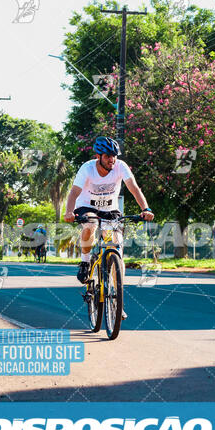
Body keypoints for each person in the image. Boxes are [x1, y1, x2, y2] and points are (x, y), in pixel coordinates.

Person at [64, 136, 154, 317]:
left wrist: (145, 208)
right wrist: (69, 211)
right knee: (90, 224)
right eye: (108, 156)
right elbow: (74, 191)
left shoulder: (121, 166)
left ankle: (118, 303)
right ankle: (84, 262)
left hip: (110, 209)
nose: (112, 159)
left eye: (114, 156)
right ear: (98, 156)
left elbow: (134, 187)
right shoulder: (87, 168)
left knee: (116, 247)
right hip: (86, 206)